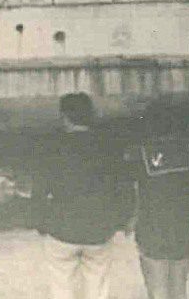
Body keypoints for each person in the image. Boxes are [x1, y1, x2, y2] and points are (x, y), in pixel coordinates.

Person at [31, 92, 134, 299]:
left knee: (61, 285)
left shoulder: (52, 148)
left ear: (65, 117)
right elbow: (124, 186)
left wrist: (40, 222)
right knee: (97, 286)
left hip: (61, 229)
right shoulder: (108, 147)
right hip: (99, 229)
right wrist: (123, 220)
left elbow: (40, 190)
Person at [127, 107, 189, 299]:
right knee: (179, 290)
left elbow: (133, 187)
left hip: (152, 227)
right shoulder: (187, 153)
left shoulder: (141, 155)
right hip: (181, 227)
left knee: (157, 290)